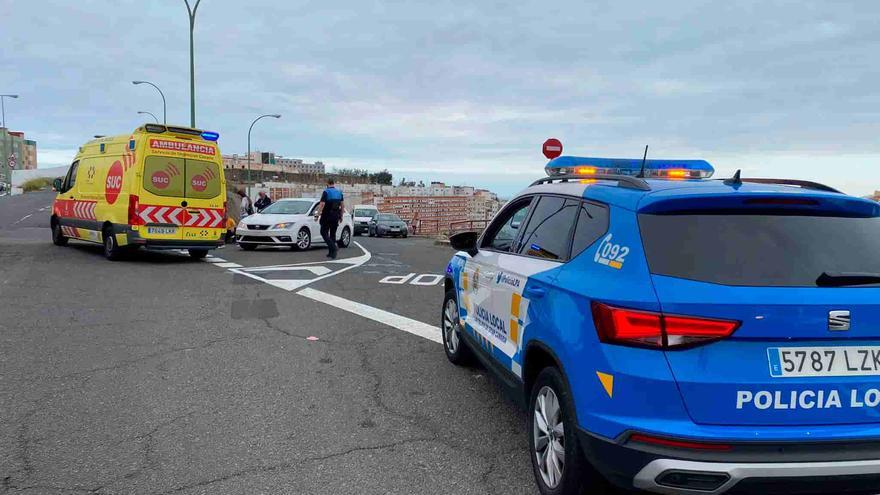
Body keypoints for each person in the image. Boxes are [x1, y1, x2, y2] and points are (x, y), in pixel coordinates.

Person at [314, 179, 344, 259]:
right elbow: (342, 205)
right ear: (333, 183)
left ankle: (333, 247)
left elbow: (322, 204)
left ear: (327, 183)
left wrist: (317, 215)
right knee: (332, 234)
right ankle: (332, 253)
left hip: (327, 215)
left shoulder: (326, 192)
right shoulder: (339, 192)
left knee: (323, 232)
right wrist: (341, 216)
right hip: (336, 216)